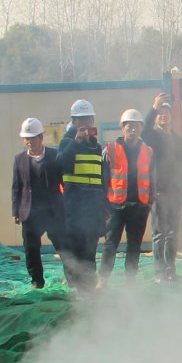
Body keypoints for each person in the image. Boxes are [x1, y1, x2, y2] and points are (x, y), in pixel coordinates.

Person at [100, 108, 156, 282]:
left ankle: (130, 282)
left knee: (134, 246)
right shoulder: (110, 149)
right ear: (122, 127)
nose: (133, 129)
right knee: (110, 244)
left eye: (136, 126)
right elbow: (103, 179)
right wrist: (104, 204)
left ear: (141, 128)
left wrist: (149, 202)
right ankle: (103, 279)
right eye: (129, 125)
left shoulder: (148, 151)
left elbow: (152, 178)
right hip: (115, 207)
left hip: (139, 207)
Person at [55, 99, 106, 289]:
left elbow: (100, 178)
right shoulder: (67, 142)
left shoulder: (95, 146)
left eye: (88, 119)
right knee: (75, 250)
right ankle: (76, 287)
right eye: (81, 119)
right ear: (74, 121)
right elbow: (60, 165)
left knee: (90, 250)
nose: (85, 123)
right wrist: (75, 143)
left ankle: (89, 287)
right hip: (75, 209)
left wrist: (104, 206)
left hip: (93, 209)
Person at [9, 117, 63, 289]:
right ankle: (37, 281)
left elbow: (64, 182)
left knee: (63, 245)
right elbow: (17, 186)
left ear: (41, 137)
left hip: (53, 211)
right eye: (26, 138)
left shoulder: (55, 156)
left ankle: (73, 276)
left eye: (32, 138)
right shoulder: (19, 159)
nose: (29, 142)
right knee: (31, 248)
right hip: (30, 212)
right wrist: (15, 210)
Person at [144, 99, 182, 282]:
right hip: (159, 192)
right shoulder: (153, 137)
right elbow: (144, 132)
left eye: (166, 112)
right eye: (160, 113)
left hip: (175, 192)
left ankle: (171, 270)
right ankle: (159, 272)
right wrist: (153, 108)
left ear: (171, 116)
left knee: (172, 233)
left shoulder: (179, 141)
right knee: (159, 233)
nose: (163, 115)